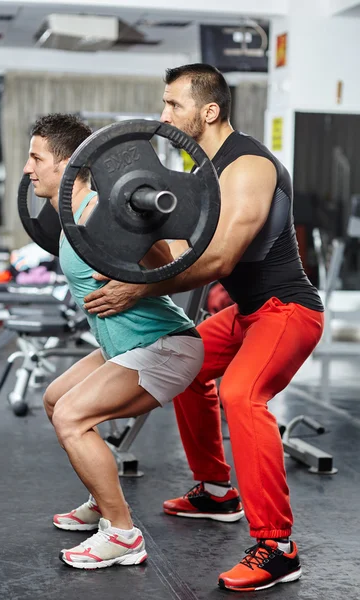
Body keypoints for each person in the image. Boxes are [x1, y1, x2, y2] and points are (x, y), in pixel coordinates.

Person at [77, 64, 325, 592]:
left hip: (287, 310)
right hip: (245, 313)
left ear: (208, 111)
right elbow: (177, 252)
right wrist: (125, 260)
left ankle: (278, 547)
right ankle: (216, 490)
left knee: (242, 394)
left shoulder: (249, 165)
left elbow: (219, 259)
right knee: (188, 360)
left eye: (173, 105)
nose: (163, 115)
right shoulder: (202, 174)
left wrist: (137, 289)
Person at [23, 113, 204, 570]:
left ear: (66, 162)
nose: (28, 169)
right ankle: (102, 501)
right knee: (55, 399)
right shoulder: (70, 217)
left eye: (36, 158)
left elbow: (168, 266)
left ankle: (123, 534)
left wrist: (136, 278)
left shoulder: (108, 214)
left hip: (165, 344)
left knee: (71, 417)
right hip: (125, 346)